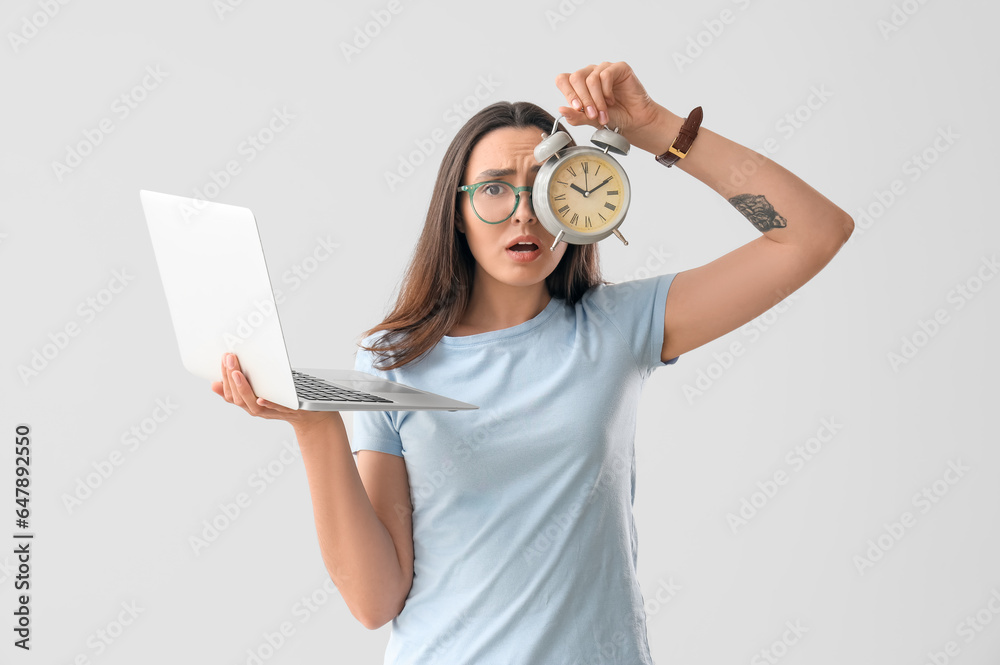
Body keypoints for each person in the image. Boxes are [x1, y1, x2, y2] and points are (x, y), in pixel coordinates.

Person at [212, 61, 853, 664]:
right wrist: (315, 427)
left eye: (544, 188)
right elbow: (376, 600)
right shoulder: (392, 360)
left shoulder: (619, 327)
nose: (522, 212)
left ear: (575, 206)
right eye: (494, 189)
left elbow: (812, 232)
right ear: (457, 213)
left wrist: (656, 127)